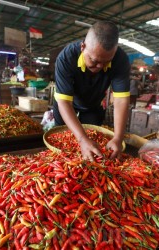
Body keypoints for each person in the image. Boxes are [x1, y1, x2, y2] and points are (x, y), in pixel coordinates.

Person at [53, 21, 130, 161]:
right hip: (66, 104)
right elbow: (64, 102)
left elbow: (121, 100)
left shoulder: (120, 59)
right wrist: (82, 139)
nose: (100, 66)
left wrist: (118, 137)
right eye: (94, 60)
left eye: (106, 62)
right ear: (83, 47)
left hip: (92, 104)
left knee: (94, 143)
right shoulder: (66, 58)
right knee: (61, 140)